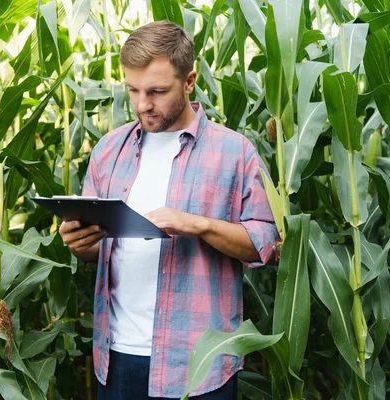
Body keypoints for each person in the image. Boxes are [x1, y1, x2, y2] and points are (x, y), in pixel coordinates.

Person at [58, 21, 278, 399]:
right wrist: (81, 243)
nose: (143, 104)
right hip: (117, 358)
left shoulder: (235, 153)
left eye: (157, 91)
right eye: (133, 90)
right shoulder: (109, 150)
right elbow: (99, 250)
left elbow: (266, 245)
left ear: (189, 80)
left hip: (198, 364)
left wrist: (199, 225)